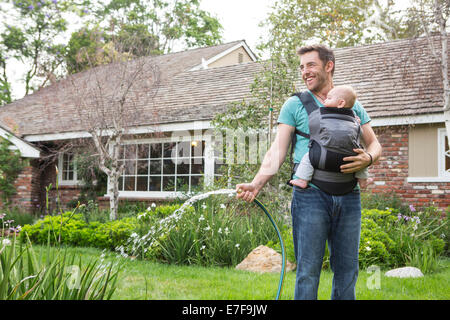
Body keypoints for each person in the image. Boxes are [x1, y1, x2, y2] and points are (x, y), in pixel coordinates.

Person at [236, 44, 382, 300]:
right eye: (302, 67)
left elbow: (375, 143)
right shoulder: (294, 104)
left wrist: (368, 159)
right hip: (310, 196)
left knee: (347, 270)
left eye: (311, 65)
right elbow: (277, 151)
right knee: (308, 270)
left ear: (329, 65)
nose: (305, 72)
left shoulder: (350, 104)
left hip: (349, 195)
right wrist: (256, 184)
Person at [289, 85, 373, 190]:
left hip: (324, 155)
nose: (325, 100)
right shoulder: (354, 118)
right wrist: (357, 123)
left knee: (308, 157)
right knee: (361, 157)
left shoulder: (322, 114)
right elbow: (359, 133)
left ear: (341, 103)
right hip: (349, 157)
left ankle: (303, 180)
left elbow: (313, 128)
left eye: (329, 98)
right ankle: (363, 180)